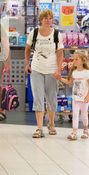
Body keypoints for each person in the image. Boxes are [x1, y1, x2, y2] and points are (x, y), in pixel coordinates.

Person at [25, 9, 64, 138]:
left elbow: (60, 53)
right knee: (38, 97)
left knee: (52, 97)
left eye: (50, 18)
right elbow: (28, 49)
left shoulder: (57, 34)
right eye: (46, 18)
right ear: (41, 19)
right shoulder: (34, 33)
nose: (48, 20)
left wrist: (58, 69)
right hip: (36, 69)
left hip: (52, 71)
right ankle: (39, 128)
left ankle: (51, 124)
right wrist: (27, 64)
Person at [58, 51, 89, 140]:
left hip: (84, 98)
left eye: (76, 59)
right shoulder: (74, 72)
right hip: (75, 98)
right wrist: (61, 78)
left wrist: (88, 95)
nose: (74, 61)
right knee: (75, 115)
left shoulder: (87, 73)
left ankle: (85, 130)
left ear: (83, 61)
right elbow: (69, 82)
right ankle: (74, 132)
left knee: (84, 115)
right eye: (73, 59)